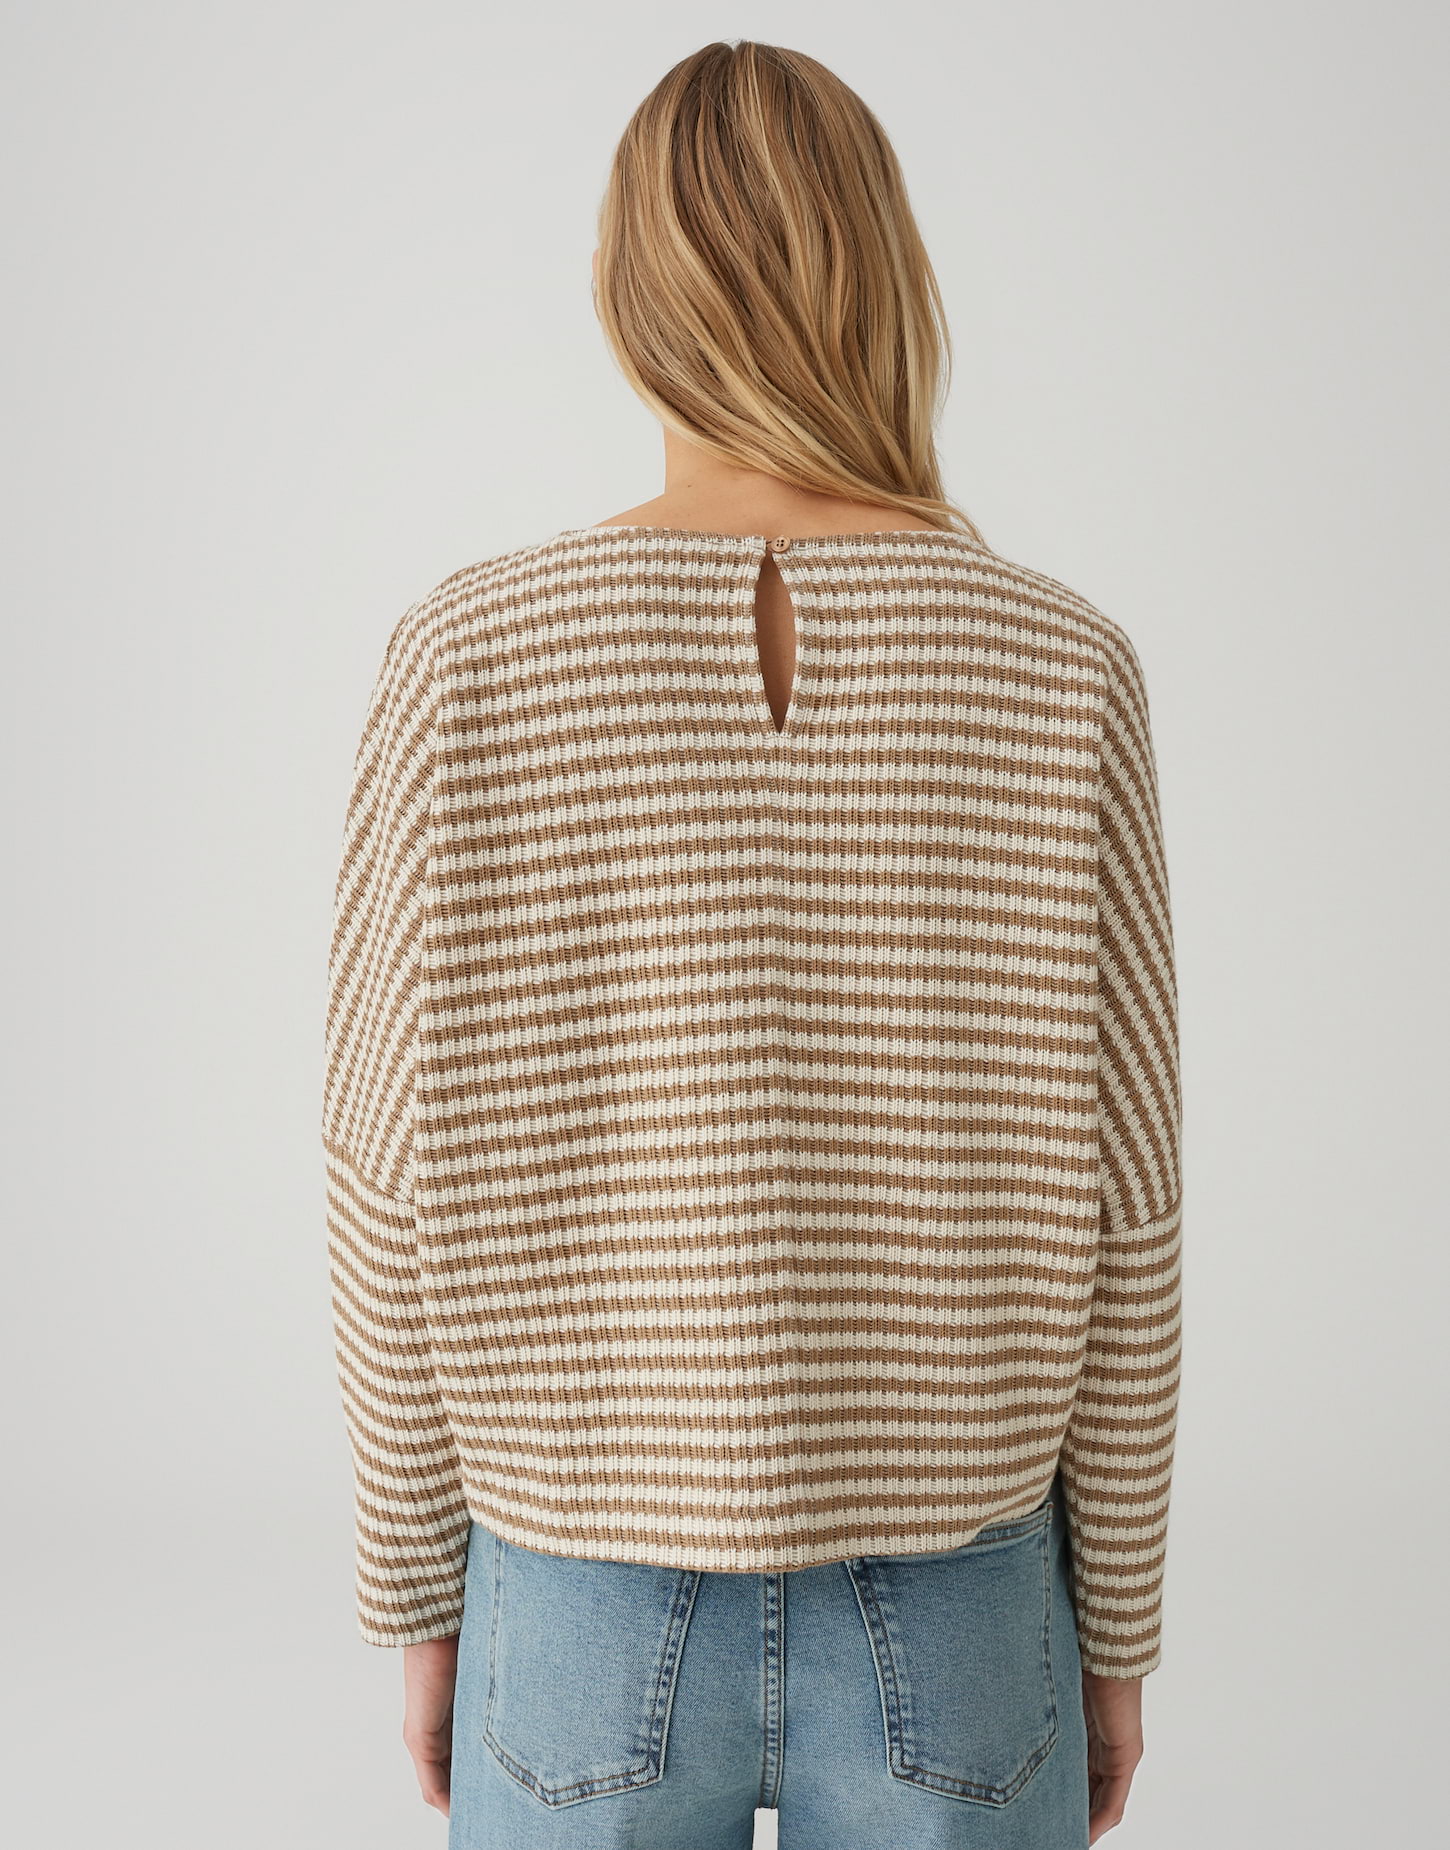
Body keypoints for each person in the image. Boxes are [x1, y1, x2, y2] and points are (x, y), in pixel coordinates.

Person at [321, 39, 1183, 1850]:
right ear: (885, 274)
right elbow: (1128, 1203)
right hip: (963, 1598)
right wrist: (1113, 1626)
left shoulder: (467, 656)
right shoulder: (1058, 665)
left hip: (574, 1590)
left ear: (623, 293)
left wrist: (417, 1592)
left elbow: (384, 1176)